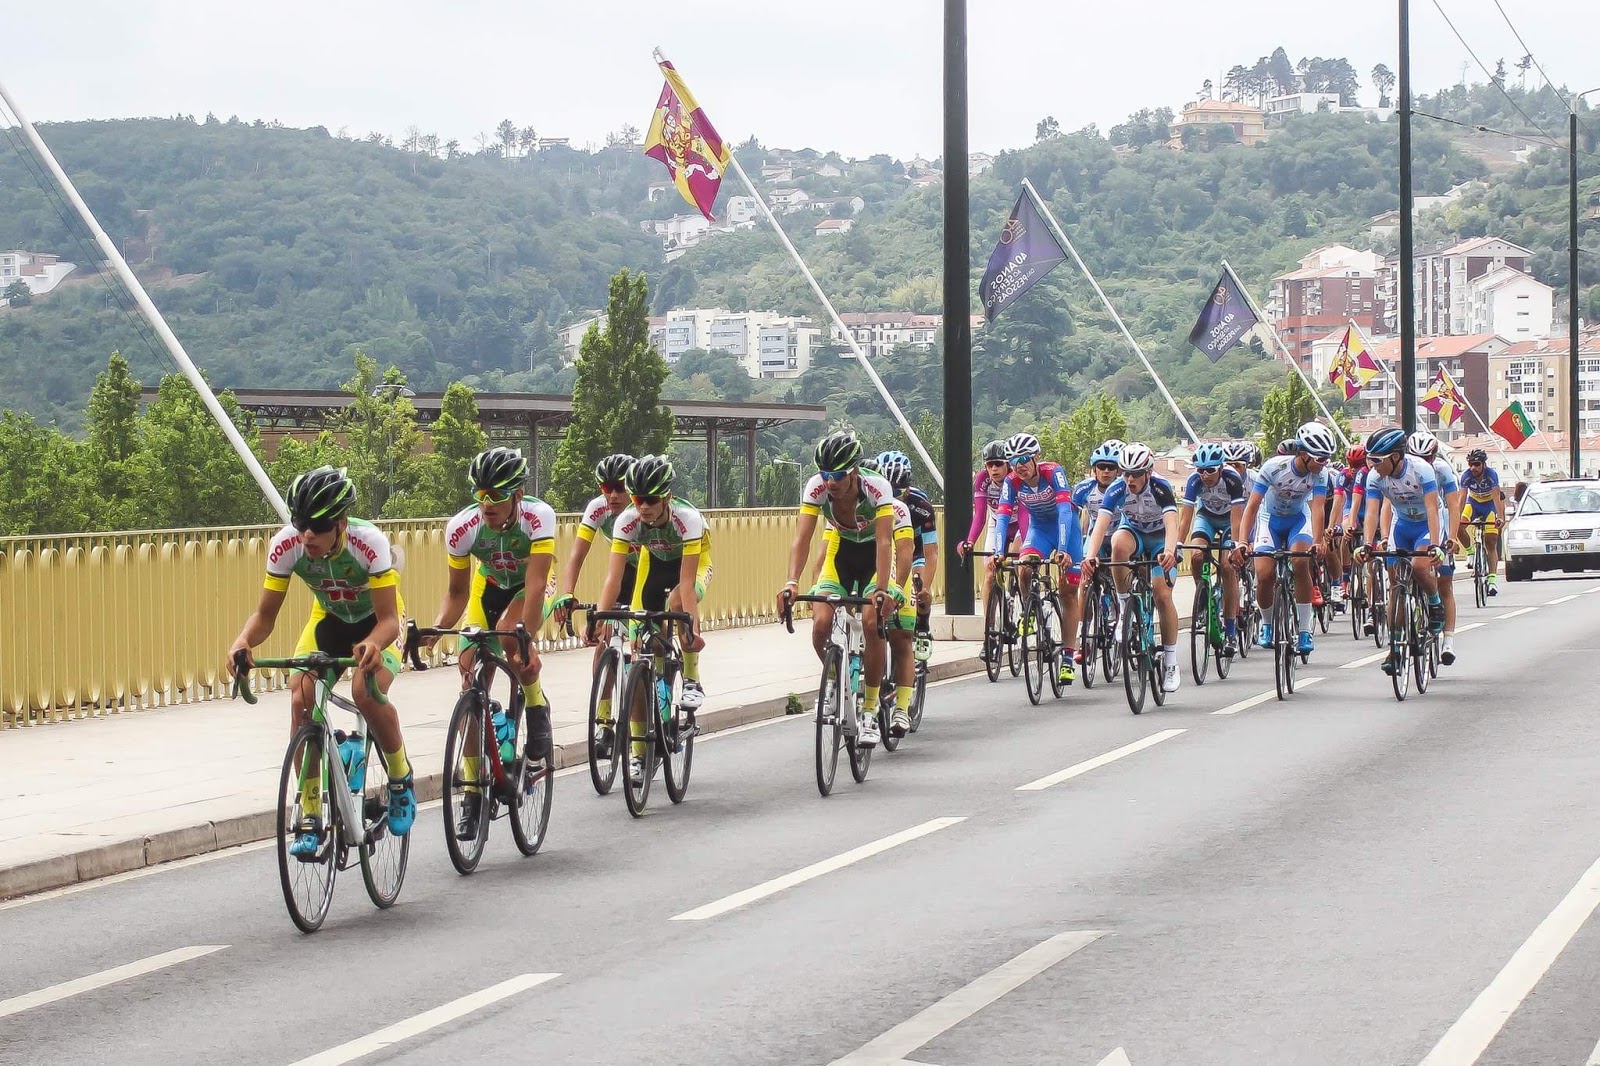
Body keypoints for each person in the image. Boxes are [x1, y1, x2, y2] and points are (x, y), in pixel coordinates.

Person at [228, 466, 416, 858]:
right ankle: (311, 811)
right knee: (301, 696)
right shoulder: (286, 545)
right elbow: (265, 616)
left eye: (317, 526)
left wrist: (372, 644)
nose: (307, 535)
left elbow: (388, 619)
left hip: (377, 623)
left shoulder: (369, 543)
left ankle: (400, 777)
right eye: (300, 524)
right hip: (329, 620)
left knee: (365, 691)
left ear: (341, 523)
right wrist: (243, 641)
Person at [423, 447, 557, 833]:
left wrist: (528, 640)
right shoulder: (462, 528)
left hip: (528, 587)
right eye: (480, 495)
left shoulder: (538, 517)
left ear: (517, 495)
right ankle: (471, 791)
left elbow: (535, 587)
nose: (486, 504)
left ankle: (536, 706)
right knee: (468, 672)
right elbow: (457, 593)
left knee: (513, 638)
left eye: (496, 496)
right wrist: (436, 630)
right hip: (489, 587)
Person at [778, 430, 907, 746]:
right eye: (825, 474)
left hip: (873, 557)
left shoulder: (877, 488)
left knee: (872, 622)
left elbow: (885, 541)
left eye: (837, 475)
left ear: (854, 471)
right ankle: (835, 679)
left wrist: (881, 589)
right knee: (821, 623)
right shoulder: (817, 487)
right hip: (842, 554)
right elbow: (802, 539)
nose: (830, 482)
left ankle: (870, 709)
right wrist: (792, 582)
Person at [596, 455, 711, 785]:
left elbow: (686, 583)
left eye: (651, 500)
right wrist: (600, 617)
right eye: (637, 500)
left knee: (676, 603)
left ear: (667, 498)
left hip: (692, 565)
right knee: (639, 652)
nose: (643, 507)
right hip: (655, 564)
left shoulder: (687, 520)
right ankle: (638, 754)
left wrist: (691, 626)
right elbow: (614, 578)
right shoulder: (627, 521)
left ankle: (692, 679)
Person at [552, 454, 637, 757]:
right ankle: (604, 723)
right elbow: (576, 555)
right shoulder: (598, 508)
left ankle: (661, 696)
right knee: (605, 640)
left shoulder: (643, 506)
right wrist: (567, 593)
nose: (613, 495)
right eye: (606, 488)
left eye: (620, 488)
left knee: (647, 634)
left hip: (653, 566)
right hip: (625, 570)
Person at [1081, 442, 1182, 692]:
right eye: (1126, 473)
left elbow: (1172, 523)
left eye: (1136, 474)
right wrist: (1090, 556)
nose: (1130, 479)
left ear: (1148, 472)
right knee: (1118, 542)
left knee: (1162, 594)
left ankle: (1171, 661)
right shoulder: (1117, 488)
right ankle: (1125, 604)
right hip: (1134, 533)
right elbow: (1101, 524)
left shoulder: (1160, 487)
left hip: (1160, 539)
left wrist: (1170, 551)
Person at [989, 431, 1083, 686]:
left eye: (1024, 459)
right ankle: (1030, 611)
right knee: (1024, 568)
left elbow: (1065, 511)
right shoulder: (1011, 482)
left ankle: (1067, 657)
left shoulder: (1053, 473)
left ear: (1036, 458)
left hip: (1067, 529)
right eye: (1014, 461)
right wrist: (998, 552)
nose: (1019, 466)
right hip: (1039, 529)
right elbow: (1002, 518)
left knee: (1068, 592)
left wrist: (1063, 549)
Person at [1354, 427, 1447, 676]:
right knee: (1395, 584)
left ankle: (1435, 602)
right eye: (1370, 459)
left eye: (1377, 460)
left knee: (1419, 567)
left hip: (1425, 526)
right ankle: (1395, 648)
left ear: (1395, 457)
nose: (1372, 465)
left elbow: (1432, 509)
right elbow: (1371, 512)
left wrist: (1435, 545)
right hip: (1402, 525)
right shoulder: (1375, 477)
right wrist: (1367, 544)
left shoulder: (1421, 470)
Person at [1238, 421, 1335, 658]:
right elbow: (1252, 506)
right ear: (1303, 454)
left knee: (1301, 563)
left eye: (1327, 459)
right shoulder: (1273, 467)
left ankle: (1304, 630)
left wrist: (1318, 540)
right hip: (1269, 520)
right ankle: (1267, 623)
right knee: (1264, 574)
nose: (1324, 463)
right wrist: (1242, 541)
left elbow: (1318, 508)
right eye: (1320, 458)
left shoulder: (1321, 474)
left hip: (1298, 520)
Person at [1177, 442, 1247, 657]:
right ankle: (1202, 595)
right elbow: (1186, 517)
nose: (1205, 475)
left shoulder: (1232, 478)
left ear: (1220, 467)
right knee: (1197, 555)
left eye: (1210, 470)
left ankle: (1231, 631)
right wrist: (1178, 544)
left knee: (1227, 566)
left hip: (1229, 520)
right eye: (1200, 470)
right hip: (1206, 518)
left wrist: (1236, 544)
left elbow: (1237, 517)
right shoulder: (1194, 480)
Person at [958, 440, 1026, 639]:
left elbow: (1024, 515)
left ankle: (1025, 605)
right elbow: (980, 515)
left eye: (998, 464)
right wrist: (970, 541)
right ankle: (989, 632)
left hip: (1020, 524)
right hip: (997, 524)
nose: (994, 469)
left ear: (1008, 464)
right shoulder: (982, 480)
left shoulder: (1017, 479)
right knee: (989, 573)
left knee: (1017, 561)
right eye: (990, 464)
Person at [876, 451, 939, 661]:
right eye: (887, 491)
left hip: (915, 549)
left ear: (908, 488)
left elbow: (931, 552)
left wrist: (926, 588)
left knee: (918, 586)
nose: (892, 498)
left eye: (897, 492)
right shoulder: (872, 500)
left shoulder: (921, 506)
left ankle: (923, 628)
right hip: (886, 548)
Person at [1410, 429, 1462, 664]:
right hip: (1413, 522)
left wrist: (1453, 537)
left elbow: (1453, 506)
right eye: (1417, 458)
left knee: (1445, 583)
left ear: (1434, 456)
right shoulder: (1406, 471)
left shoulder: (1442, 470)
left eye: (1427, 458)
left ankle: (1448, 641)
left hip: (1439, 522)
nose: (1423, 463)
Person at [1457, 448, 1505, 597]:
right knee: (1459, 526)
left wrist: (1500, 517)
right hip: (1473, 503)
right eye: (1470, 464)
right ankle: (1471, 553)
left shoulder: (1491, 475)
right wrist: (1456, 518)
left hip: (1489, 505)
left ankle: (1492, 580)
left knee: (1491, 541)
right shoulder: (1466, 476)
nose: (1473, 468)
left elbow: (1497, 497)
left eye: (1477, 464)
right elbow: (1462, 498)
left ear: (1484, 464)